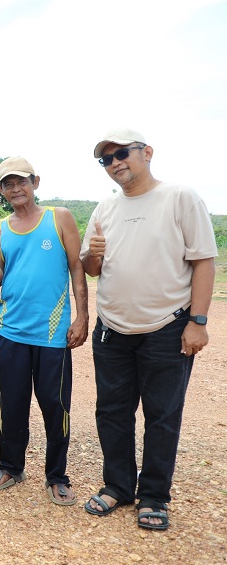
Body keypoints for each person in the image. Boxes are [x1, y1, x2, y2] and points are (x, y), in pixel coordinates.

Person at [80, 129, 216, 530]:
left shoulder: (180, 197)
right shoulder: (104, 208)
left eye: (122, 153)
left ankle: (154, 495)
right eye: (106, 159)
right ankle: (117, 486)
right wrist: (93, 256)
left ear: (147, 152)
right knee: (112, 412)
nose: (115, 162)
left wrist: (198, 321)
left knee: (162, 414)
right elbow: (91, 268)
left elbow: (204, 262)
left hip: (166, 327)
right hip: (113, 327)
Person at [0, 157, 88, 505]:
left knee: (56, 406)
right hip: (10, 332)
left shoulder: (60, 218)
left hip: (52, 333)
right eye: (8, 184)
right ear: (1, 190)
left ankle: (57, 476)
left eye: (21, 182)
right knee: (11, 403)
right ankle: (10, 466)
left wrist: (82, 315)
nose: (15, 189)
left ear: (35, 182)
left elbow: (76, 267)